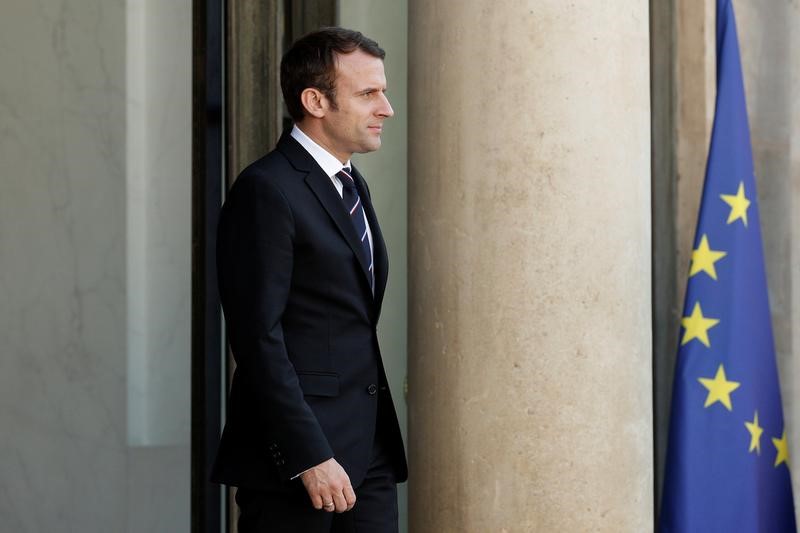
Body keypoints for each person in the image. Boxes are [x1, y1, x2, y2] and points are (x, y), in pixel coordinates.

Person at [211, 27, 408, 533]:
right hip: (299, 467)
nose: (385, 108)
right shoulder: (267, 190)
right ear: (315, 100)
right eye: (368, 94)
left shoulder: (350, 183)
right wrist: (307, 455)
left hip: (369, 456)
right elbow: (258, 339)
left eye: (382, 92)